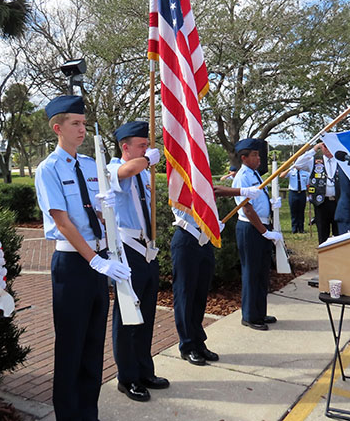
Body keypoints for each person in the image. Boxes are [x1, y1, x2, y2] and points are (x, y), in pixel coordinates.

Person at [34, 95, 131, 421]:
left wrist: (109, 213)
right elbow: (62, 221)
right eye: (75, 124)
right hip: (74, 264)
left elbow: (100, 212)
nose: (82, 129)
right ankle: (68, 414)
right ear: (57, 128)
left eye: (84, 123)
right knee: (71, 346)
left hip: (98, 259)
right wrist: (94, 259)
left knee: (93, 344)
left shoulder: (91, 166)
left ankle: (89, 412)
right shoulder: (48, 169)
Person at [106, 121, 168, 402]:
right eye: (141, 145)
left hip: (146, 248)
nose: (147, 149)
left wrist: (145, 162)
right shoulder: (113, 169)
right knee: (128, 316)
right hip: (127, 249)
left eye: (148, 144)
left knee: (147, 316)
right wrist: (146, 159)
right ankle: (127, 377)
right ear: (125, 147)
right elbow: (126, 171)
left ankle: (145, 370)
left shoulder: (143, 172)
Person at [171, 179, 262, 364]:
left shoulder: (199, 171)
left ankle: (198, 342)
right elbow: (209, 190)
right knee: (185, 295)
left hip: (204, 238)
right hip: (186, 238)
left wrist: (240, 193)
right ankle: (187, 345)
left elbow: (211, 191)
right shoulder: (180, 174)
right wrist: (242, 190)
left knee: (200, 294)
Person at [231, 138, 283, 331]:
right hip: (251, 229)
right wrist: (265, 232)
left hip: (261, 227)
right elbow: (248, 209)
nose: (258, 158)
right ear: (244, 158)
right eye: (254, 155)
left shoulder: (255, 174)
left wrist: (271, 205)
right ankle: (250, 316)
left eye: (258, 154)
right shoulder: (242, 177)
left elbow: (260, 201)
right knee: (251, 273)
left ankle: (260, 312)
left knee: (262, 273)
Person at [308, 143, 340, 245]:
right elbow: (298, 163)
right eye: (325, 146)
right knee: (322, 232)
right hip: (321, 202)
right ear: (321, 147)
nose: (328, 149)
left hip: (338, 201)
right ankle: (323, 256)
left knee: (339, 233)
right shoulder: (315, 160)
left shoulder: (340, 160)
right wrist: (314, 149)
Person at [286, 149, 313, 234]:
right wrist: (290, 167)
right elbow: (282, 175)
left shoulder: (305, 173)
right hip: (293, 193)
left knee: (301, 212)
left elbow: (308, 185)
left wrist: (309, 195)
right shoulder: (290, 172)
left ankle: (301, 228)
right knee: (293, 211)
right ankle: (294, 229)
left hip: (302, 193)